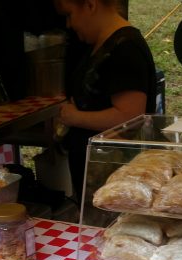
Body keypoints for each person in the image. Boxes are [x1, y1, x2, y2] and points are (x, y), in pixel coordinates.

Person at [54, 0, 156, 203]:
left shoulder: (125, 49)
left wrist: (75, 117)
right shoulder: (102, 43)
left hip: (116, 178)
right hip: (99, 173)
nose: (68, 24)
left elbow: (129, 116)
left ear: (91, 5)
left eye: (69, 14)